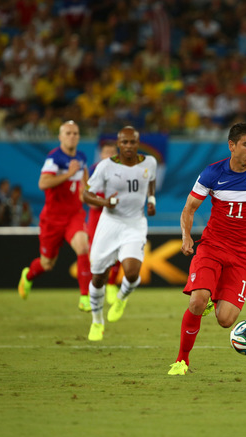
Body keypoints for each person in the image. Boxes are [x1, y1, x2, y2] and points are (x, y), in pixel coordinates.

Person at [168, 122, 246, 376]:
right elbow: (189, 208)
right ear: (232, 145)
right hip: (212, 246)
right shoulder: (212, 173)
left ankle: (211, 297)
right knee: (197, 300)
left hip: (243, 254)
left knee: (226, 320)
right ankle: (182, 361)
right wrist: (186, 237)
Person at [82, 126, 157, 341]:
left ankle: (121, 298)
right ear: (118, 143)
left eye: (132, 142)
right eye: (125, 142)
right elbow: (86, 194)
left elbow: (150, 180)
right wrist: (105, 202)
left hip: (135, 224)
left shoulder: (149, 162)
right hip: (109, 224)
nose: (129, 146)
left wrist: (151, 201)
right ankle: (97, 321)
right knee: (98, 277)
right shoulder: (106, 167)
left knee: (133, 272)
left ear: (138, 142)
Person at [17, 120, 92, 311]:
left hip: (74, 214)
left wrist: (90, 193)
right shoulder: (54, 159)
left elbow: (84, 183)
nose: (72, 136)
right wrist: (68, 174)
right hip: (52, 219)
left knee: (83, 247)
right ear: (60, 137)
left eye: (75, 133)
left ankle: (85, 297)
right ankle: (28, 275)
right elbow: (43, 183)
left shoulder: (81, 157)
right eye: (68, 133)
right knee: (47, 264)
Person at [87, 141, 121, 305]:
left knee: (121, 249)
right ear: (101, 154)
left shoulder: (124, 170)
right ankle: (94, 287)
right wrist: (105, 202)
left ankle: (112, 284)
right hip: (97, 217)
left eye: (112, 151)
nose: (109, 155)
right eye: (106, 152)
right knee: (97, 255)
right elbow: (90, 200)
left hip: (117, 216)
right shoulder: (93, 170)